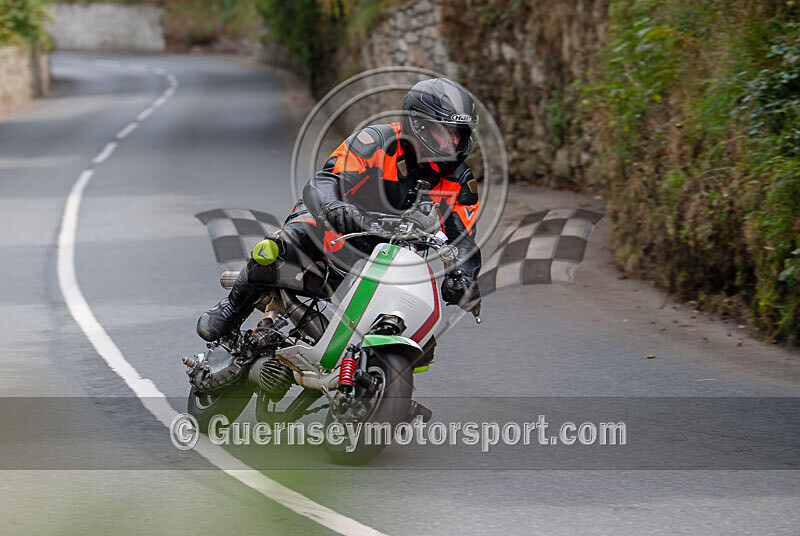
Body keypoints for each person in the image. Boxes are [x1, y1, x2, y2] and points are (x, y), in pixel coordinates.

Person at [197, 77, 482, 342]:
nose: (452, 142)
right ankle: (233, 308)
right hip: (335, 233)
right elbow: (324, 180)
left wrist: (465, 278)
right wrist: (335, 207)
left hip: (391, 258)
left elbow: (464, 241)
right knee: (275, 246)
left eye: (458, 134)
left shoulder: (460, 181)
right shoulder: (377, 143)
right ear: (417, 124)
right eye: (443, 132)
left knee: (424, 338)